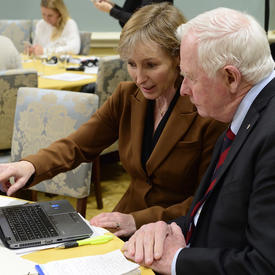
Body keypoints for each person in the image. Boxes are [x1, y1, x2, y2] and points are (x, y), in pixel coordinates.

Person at [0, 3, 225, 238]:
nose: (139, 78)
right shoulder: (127, 96)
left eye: (151, 65)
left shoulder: (207, 111)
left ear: (178, 58)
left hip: (175, 233)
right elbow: (77, 145)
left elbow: (205, 202)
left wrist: (137, 220)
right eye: (131, 64)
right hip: (122, 224)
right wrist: (29, 166)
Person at [122, 7, 275, 275]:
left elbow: (264, 264)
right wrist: (171, 229)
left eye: (190, 77)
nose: (183, 89)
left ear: (230, 77)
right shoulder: (248, 114)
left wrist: (176, 261)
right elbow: (216, 216)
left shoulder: (270, 135)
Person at [91, 0, 173, 27]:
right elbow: (128, 15)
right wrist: (112, 6)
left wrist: (111, 10)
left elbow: (142, 21)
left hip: (153, 43)